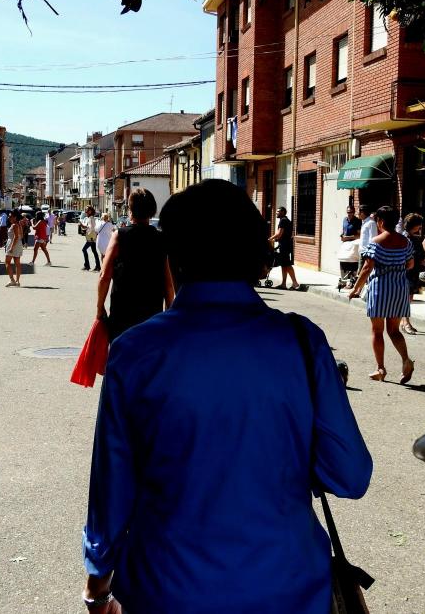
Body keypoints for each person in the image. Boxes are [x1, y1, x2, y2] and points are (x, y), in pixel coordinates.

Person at [82, 178, 373, 614]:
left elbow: (112, 487)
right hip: (289, 586)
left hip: (166, 586)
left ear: (174, 256)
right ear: (256, 255)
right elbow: (350, 476)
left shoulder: (136, 352)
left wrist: (98, 585)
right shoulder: (301, 343)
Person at [96, 189, 174, 340]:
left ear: (130, 211)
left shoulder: (120, 236)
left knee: (121, 353)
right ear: (152, 211)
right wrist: (169, 311)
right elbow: (168, 282)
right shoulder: (160, 239)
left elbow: (104, 276)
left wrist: (100, 308)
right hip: (151, 314)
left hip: (122, 313)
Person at [349, 206, 415, 383]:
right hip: (399, 289)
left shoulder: (375, 242)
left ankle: (380, 368)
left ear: (381, 222)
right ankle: (406, 360)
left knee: (377, 331)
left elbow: (367, 268)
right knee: (394, 330)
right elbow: (410, 264)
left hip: (380, 290)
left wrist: (355, 288)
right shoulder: (405, 242)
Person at [401, 213, 425, 335]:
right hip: (406, 271)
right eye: (418, 225)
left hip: (414, 271)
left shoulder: (414, 237)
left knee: (409, 298)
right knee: (406, 298)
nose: (420, 227)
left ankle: (404, 322)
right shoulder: (404, 238)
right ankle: (406, 322)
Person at [267, 206, 301, 290]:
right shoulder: (286, 220)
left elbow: (279, 234)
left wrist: (270, 239)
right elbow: (284, 234)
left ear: (282, 212)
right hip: (285, 245)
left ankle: (295, 283)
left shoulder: (283, 221)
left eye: (278, 211)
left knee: (287, 264)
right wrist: (276, 239)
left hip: (284, 246)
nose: (276, 213)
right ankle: (283, 284)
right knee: (284, 265)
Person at [4, 209, 24, 287]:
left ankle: (12, 280)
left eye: (10, 216)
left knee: (7, 262)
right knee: (17, 263)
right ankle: (17, 281)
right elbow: (21, 236)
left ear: (15, 217)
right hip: (18, 244)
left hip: (13, 244)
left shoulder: (14, 225)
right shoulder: (19, 224)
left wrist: (11, 247)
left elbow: (16, 237)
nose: (9, 218)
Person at [81, 206, 100, 271]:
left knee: (84, 250)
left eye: (87, 211)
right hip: (92, 237)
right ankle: (98, 266)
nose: (86, 212)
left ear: (90, 211)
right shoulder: (91, 218)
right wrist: (84, 227)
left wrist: (84, 227)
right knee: (94, 251)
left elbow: (91, 228)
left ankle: (87, 265)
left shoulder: (90, 218)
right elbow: (90, 227)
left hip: (91, 238)